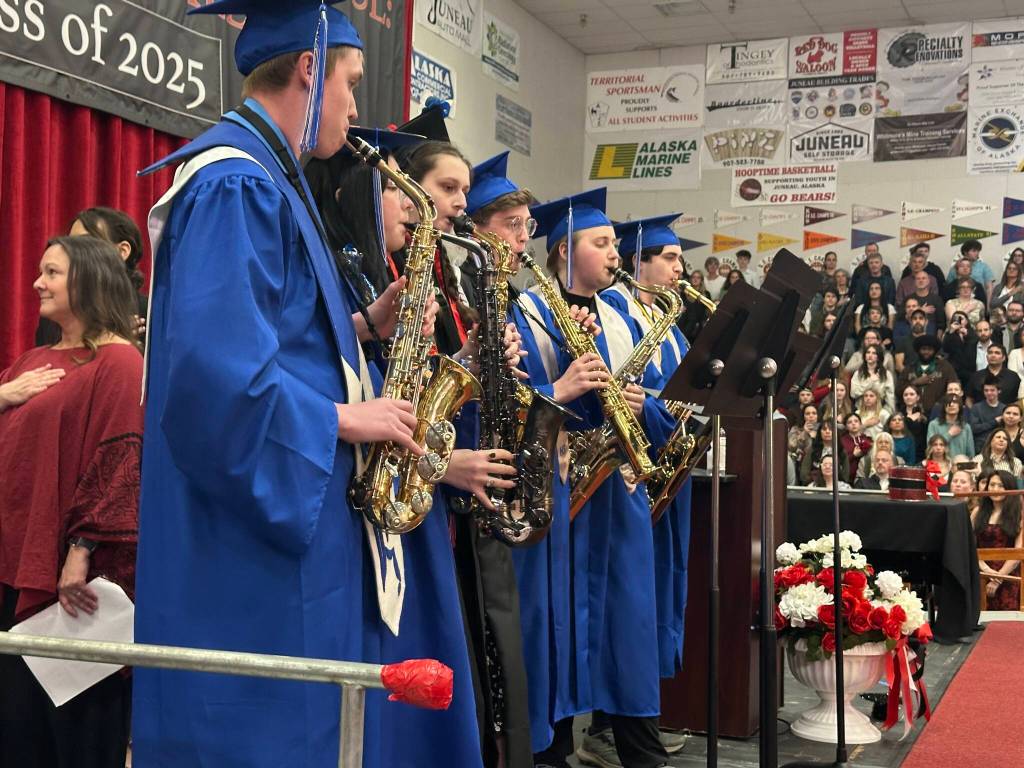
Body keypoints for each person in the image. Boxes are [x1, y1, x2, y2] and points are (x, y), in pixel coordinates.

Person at [130, 5, 446, 767]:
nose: (354, 107)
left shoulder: (273, 177)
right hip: (249, 544)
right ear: (310, 67)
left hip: (291, 519)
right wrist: (341, 416)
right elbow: (215, 381)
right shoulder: (236, 183)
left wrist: (366, 325)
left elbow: (272, 337)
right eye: (351, 82)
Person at [468, 156, 615, 765]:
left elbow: (558, 407)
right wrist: (561, 389)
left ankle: (548, 741)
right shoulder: (485, 301)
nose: (521, 236)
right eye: (509, 224)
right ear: (475, 229)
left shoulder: (521, 303)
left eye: (526, 225)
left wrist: (580, 362)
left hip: (536, 479)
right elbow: (502, 405)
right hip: (494, 483)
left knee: (547, 627)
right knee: (520, 629)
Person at [400, 136, 536, 766]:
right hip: (428, 483)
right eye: (448, 188)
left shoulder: (456, 274)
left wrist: (487, 363)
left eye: (462, 189)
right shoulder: (408, 270)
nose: (458, 201)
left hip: (459, 475)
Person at [527, 189, 673, 768]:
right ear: (565, 249)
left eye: (615, 242)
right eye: (603, 242)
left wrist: (644, 409)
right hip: (565, 491)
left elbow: (662, 397)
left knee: (629, 624)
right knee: (561, 625)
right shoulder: (533, 310)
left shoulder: (620, 315)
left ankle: (641, 747)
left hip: (618, 489)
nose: (617, 253)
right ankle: (558, 748)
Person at [0, 236, 143, 767]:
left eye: (52, 273)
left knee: (68, 731)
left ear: (88, 278)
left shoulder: (120, 362)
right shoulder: (32, 360)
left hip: (64, 579)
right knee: (17, 729)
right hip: (11, 565)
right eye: (40, 272)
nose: (38, 282)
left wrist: (81, 551)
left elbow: (121, 464)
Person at [35, 207, 148, 348]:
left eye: (87, 242)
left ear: (122, 251)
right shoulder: (58, 312)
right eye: (72, 243)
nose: (75, 251)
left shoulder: (151, 312)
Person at [973, 470, 1022, 610]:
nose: (995, 489)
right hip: (980, 572)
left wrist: (998, 579)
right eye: (992, 484)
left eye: (1000, 485)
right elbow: (969, 544)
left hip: (1009, 576)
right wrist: (986, 570)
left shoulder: (1019, 514)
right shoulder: (977, 512)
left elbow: (1018, 552)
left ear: (1009, 488)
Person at [896, 334, 958, 413]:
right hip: (912, 412)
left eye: (930, 349)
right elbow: (898, 391)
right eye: (923, 349)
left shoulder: (945, 367)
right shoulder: (909, 368)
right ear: (918, 350)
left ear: (935, 351)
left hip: (938, 412)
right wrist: (915, 382)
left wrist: (940, 404)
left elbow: (953, 388)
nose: (926, 352)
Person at [927, 394, 975, 460]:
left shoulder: (966, 427)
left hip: (960, 466)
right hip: (939, 465)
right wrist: (949, 434)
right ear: (944, 406)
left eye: (955, 402)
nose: (951, 405)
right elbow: (930, 447)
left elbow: (971, 453)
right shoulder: (934, 424)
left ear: (960, 406)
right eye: (948, 402)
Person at [850, 343, 895, 412]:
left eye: (874, 353)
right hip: (860, 410)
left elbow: (890, 396)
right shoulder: (858, 374)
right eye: (868, 352)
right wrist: (870, 382)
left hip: (880, 410)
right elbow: (853, 393)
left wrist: (891, 412)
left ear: (879, 356)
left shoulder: (886, 374)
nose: (870, 355)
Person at [967, 378, 1007, 453]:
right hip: (981, 447)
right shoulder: (976, 407)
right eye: (986, 390)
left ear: (999, 391)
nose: (989, 393)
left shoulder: (1004, 408)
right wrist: (994, 422)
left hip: (1000, 447)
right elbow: (974, 428)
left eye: (992, 390)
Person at [941, 311, 980, 386]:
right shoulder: (950, 334)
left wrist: (967, 335)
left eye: (961, 318)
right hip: (955, 369)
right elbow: (945, 348)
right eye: (955, 318)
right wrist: (951, 331)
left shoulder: (972, 332)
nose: (958, 320)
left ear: (967, 321)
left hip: (969, 369)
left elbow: (976, 344)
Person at [679, 269, 712, 342]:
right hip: (683, 324)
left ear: (701, 280)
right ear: (690, 279)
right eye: (693, 277)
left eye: (698, 277)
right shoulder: (683, 293)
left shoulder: (706, 294)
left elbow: (707, 311)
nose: (695, 279)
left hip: (698, 327)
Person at [899, 383, 929, 460]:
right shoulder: (899, 414)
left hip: (920, 453)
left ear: (918, 397)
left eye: (912, 394)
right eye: (906, 395)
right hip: (902, 452)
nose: (908, 397)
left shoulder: (925, 414)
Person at [840, 413, 873, 483]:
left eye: (856, 421)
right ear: (846, 426)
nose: (853, 424)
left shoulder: (868, 440)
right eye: (849, 422)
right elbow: (839, 462)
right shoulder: (842, 441)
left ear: (860, 424)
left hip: (865, 478)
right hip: (847, 478)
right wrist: (853, 455)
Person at [894, 308, 929, 373]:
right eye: (915, 319)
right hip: (908, 379)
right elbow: (899, 366)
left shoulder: (933, 341)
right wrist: (912, 378)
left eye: (921, 318)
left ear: (926, 322)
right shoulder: (902, 341)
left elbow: (939, 364)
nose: (918, 321)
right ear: (911, 322)